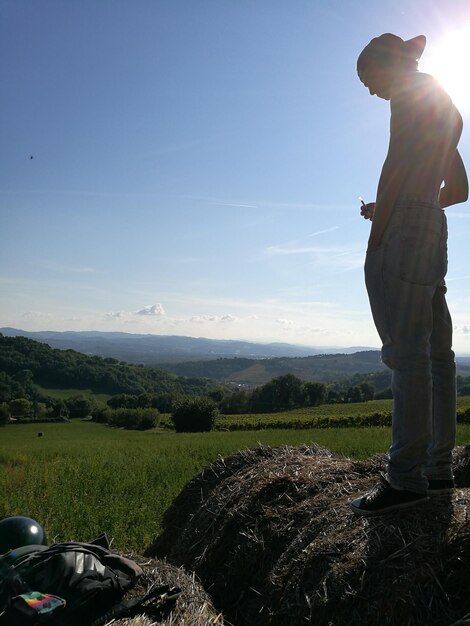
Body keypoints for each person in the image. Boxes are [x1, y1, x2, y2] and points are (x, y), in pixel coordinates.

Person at [350, 33, 468, 516]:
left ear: (386, 65)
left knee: (406, 353)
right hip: (432, 227)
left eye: (367, 78)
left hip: (406, 228)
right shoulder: (444, 108)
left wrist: (380, 230)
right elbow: (459, 189)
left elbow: (395, 164)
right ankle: (439, 470)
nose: (368, 90)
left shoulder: (409, 94)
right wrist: (407, 205)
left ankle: (404, 480)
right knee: (438, 354)